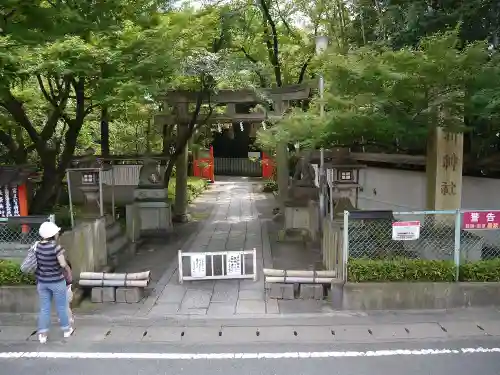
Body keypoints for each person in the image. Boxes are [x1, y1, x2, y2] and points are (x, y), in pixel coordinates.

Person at [35, 221, 74, 343]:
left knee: (44, 308)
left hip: (42, 282)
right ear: (53, 234)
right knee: (61, 307)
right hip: (57, 281)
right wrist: (68, 270)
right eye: (57, 232)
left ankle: (42, 334)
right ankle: (67, 330)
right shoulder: (56, 248)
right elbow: (62, 263)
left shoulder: (37, 246)